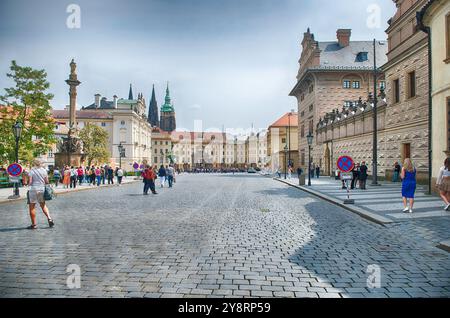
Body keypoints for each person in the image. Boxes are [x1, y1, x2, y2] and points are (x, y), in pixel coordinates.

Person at [26, 159, 54, 229]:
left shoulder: (31, 171)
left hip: (33, 189)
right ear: (40, 164)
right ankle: (49, 218)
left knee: (32, 206)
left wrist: (27, 184)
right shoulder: (44, 171)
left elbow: (30, 181)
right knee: (43, 205)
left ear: (34, 164)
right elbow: (47, 181)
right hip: (41, 189)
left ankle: (34, 224)